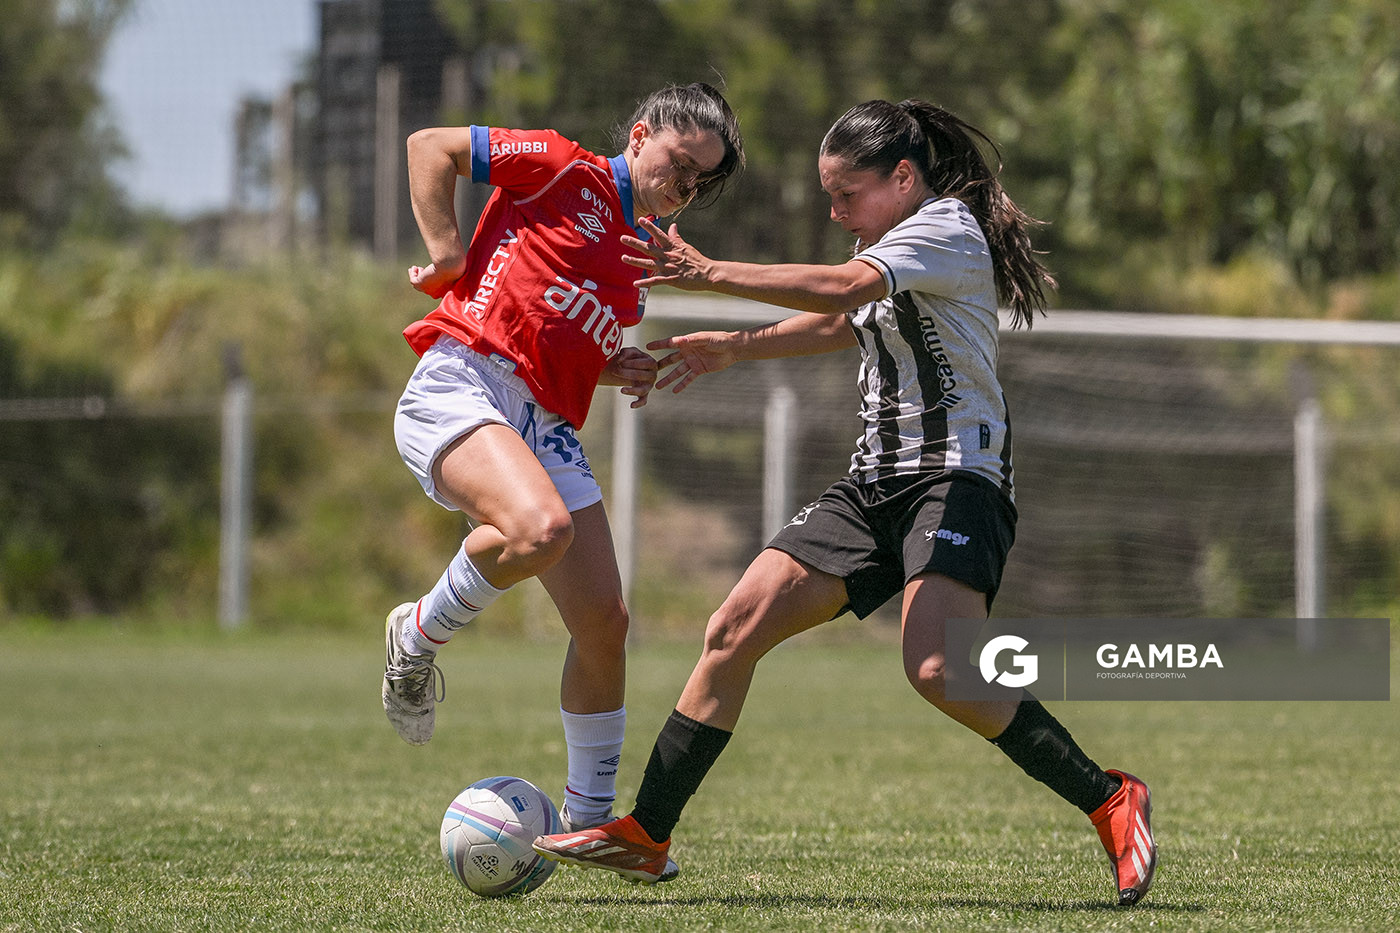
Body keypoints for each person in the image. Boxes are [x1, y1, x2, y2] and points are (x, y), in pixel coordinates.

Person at [533, 98, 1157, 906]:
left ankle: (1110, 798)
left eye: (845, 195)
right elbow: (846, 319)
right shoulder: (885, 245)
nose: (835, 212)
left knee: (938, 666)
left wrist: (709, 272)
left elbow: (841, 287)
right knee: (734, 626)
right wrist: (735, 349)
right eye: (828, 196)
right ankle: (646, 834)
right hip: (872, 485)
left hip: (955, 479)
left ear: (903, 178)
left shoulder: (944, 229)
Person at [383, 83, 745, 847]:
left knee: (605, 621)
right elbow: (429, 146)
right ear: (640, 135)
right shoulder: (559, 166)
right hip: (465, 380)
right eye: (680, 163)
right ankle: (415, 632)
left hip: (545, 421)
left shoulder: (643, 253)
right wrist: (447, 252)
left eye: (701, 181)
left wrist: (616, 367)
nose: (685, 186)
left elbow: (554, 326)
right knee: (540, 529)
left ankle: (590, 821)